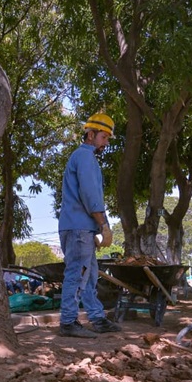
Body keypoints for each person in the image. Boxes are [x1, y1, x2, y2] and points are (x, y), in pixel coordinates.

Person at [57, 112, 121, 338]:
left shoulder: (83, 158)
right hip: (79, 229)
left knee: (90, 275)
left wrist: (94, 229)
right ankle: (68, 322)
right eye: (104, 138)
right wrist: (103, 225)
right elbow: (90, 195)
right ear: (91, 135)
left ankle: (97, 318)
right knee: (77, 274)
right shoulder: (85, 158)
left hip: (81, 228)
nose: (106, 144)